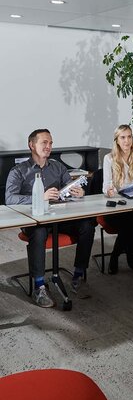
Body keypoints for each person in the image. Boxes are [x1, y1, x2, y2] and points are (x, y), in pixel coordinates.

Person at [5, 129, 95, 307]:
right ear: (32, 145)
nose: (48, 146)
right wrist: (40, 197)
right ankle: (39, 286)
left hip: (59, 218)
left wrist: (78, 192)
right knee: (38, 233)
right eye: (44, 142)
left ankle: (78, 275)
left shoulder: (58, 167)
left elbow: (67, 187)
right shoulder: (18, 171)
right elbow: (10, 198)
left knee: (88, 225)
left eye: (51, 143)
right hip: (34, 220)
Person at [102, 124, 133, 274]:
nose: (127, 141)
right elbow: (105, 185)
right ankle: (125, 254)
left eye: (129, 137)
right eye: (123, 137)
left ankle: (124, 254)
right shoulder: (109, 158)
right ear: (117, 140)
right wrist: (109, 191)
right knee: (132, 222)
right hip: (117, 206)